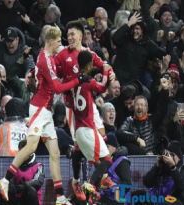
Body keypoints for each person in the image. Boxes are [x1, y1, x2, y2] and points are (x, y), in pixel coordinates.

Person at [0, 26, 88, 205]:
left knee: (54, 153)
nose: (60, 45)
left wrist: (32, 74)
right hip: (39, 108)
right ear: (51, 41)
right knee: (31, 147)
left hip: (46, 111)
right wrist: (78, 80)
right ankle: (6, 179)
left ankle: (60, 197)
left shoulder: (46, 57)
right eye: (59, 41)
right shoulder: (46, 59)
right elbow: (57, 88)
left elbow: (39, 71)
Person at [54, 19, 114, 201]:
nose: (69, 37)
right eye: (68, 35)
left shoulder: (88, 53)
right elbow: (51, 72)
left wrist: (110, 70)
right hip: (72, 108)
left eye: (72, 34)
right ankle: (80, 180)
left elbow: (104, 64)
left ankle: (101, 178)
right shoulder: (62, 54)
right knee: (80, 145)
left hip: (88, 104)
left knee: (102, 136)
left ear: (81, 36)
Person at [72, 50, 114, 203]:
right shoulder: (88, 82)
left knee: (99, 163)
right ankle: (90, 184)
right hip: (88, 129)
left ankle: (92, 196)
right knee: (107, 161)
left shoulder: (76, 82)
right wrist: (105, 70)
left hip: (79, 130)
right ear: (89, 65)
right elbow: (102, 87)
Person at [0, 139, 45, 205]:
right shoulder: (14, 167)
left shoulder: (39, 166)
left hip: (31, 199)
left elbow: (38, 182)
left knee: (30, 190)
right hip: (17, 199)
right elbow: (9, 179)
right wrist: (11, 186)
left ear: (31, 152)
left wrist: (23, 186)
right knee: (3, 189)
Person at [99, 132, 132, 205]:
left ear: (114, 147)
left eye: (107, 146)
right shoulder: (107, 161)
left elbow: (128, 184)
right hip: (106, 198)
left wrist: (110, 185)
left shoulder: (123, 162)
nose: (104, 149)